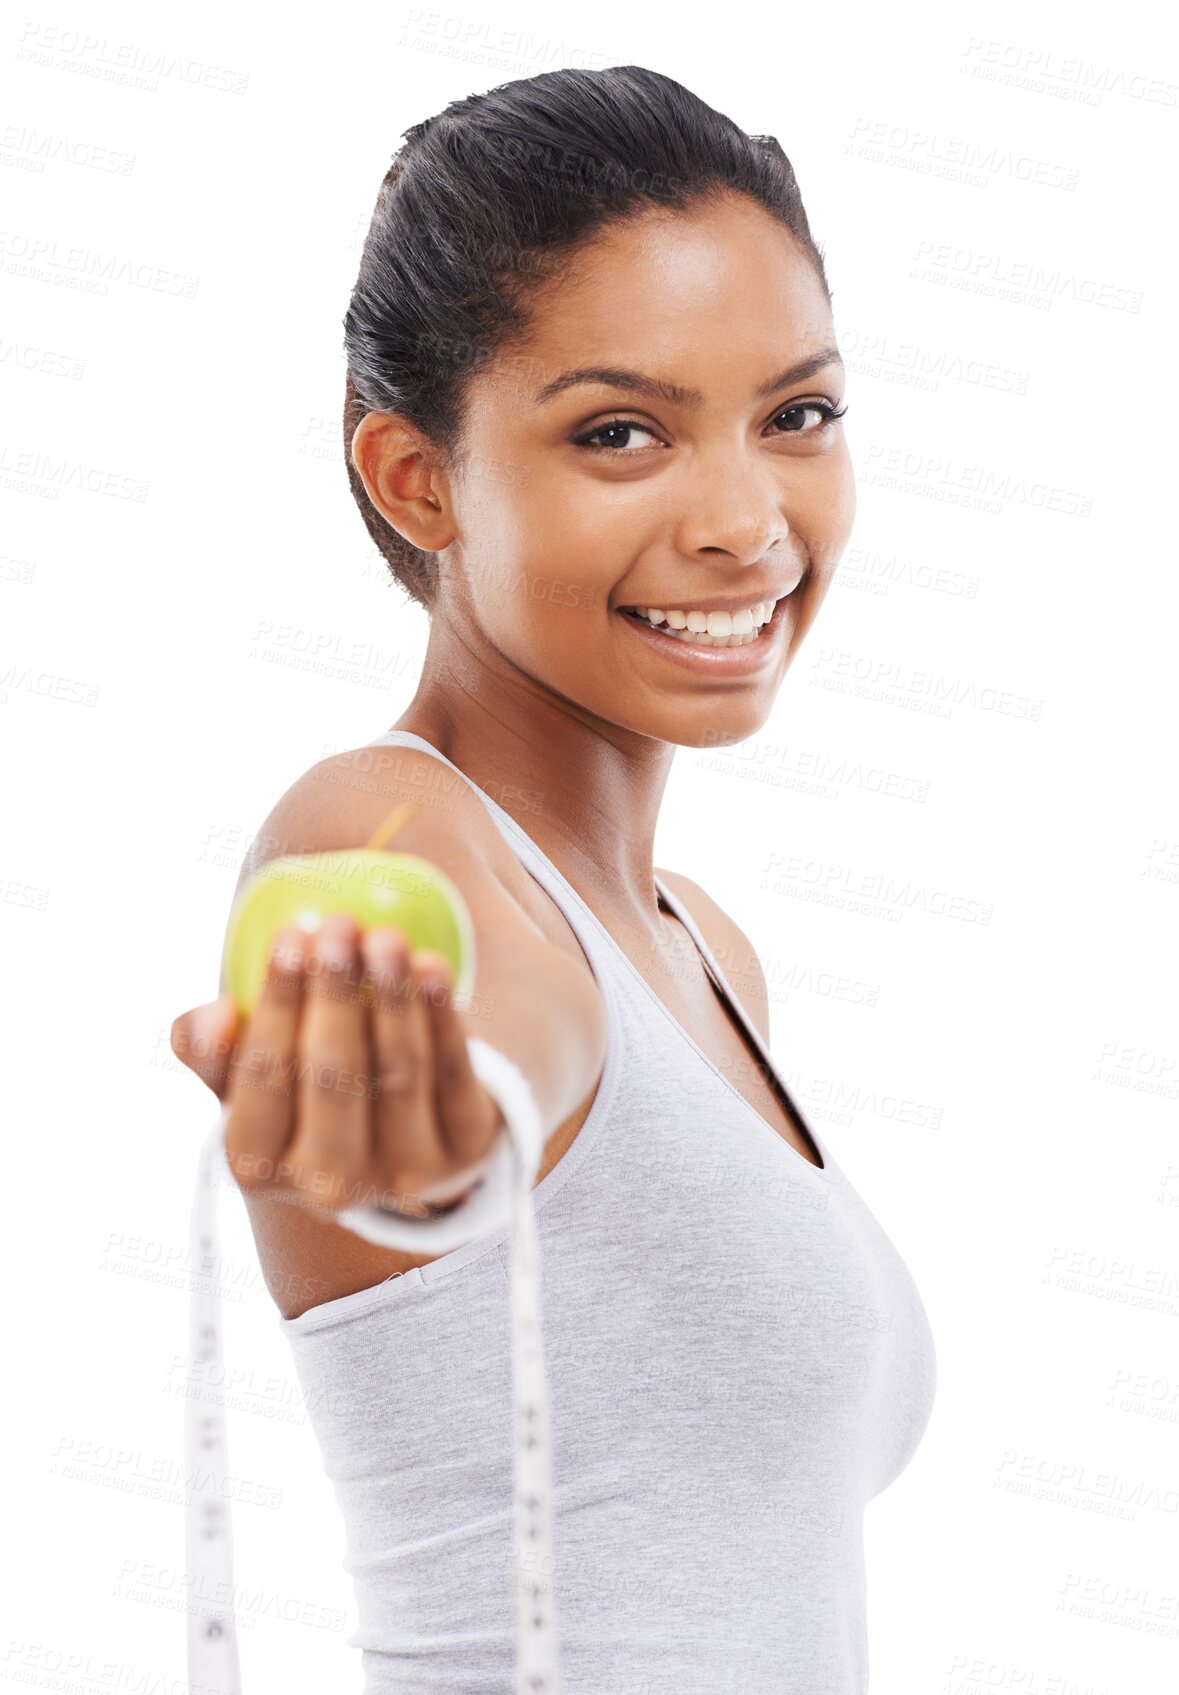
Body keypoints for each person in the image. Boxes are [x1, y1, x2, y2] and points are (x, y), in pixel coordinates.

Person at [171, 63, 938, 1695]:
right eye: (620, 432)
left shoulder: (704, 950)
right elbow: (479, 1011)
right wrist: (440, 1126)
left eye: (796, 415)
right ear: (417, 478)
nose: (745, 522)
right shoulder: (381, 827)